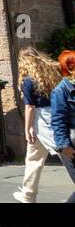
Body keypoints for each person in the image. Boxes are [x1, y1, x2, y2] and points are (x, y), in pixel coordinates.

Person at [14, 45, 62, 203]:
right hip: (56, 114)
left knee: (35, 160)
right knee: (62, 153)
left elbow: (29, 107)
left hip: (41, 119)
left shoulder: (28, 80)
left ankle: (28, 195)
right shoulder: (53, 73)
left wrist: (28, 128)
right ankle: (27, 195)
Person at [49, 50, 75, 203]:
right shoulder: (60, 91)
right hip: (70, 144)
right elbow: (57, 120)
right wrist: (64, 146)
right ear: (70, 68)